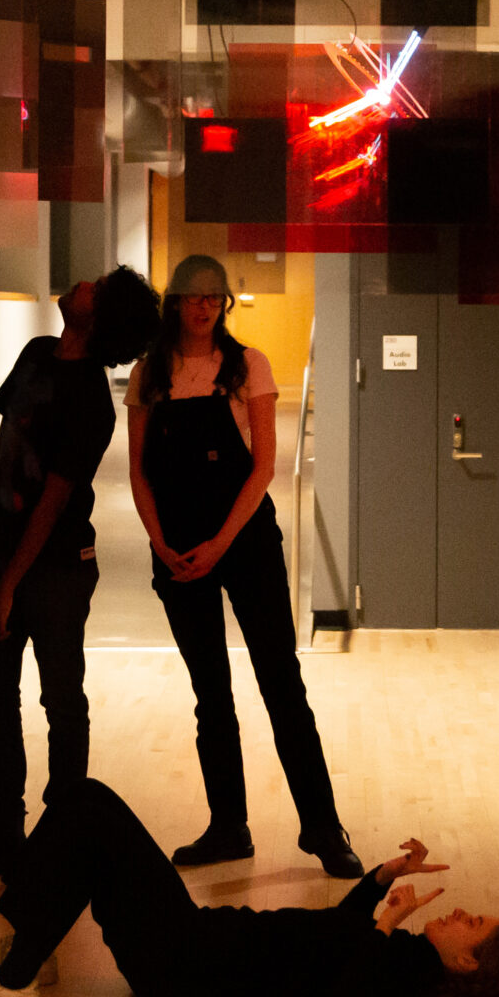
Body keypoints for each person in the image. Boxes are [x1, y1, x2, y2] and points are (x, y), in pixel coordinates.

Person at [0, 779, 499, 997]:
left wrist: (387, 922)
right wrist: (382, 879)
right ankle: (31, 951)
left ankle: (17, 983)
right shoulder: (405, 954)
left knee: (91, 821)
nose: (460, 914)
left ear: (468, 965)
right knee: (84, 795)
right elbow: (337, 934)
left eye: (472, 926)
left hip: (183, 964)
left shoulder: (411, 976)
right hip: (193, 940)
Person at [126, 255, 361, 877]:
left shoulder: (246, 364)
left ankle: (323, 828)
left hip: (245, 541)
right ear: (173, 302)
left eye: (214, 299)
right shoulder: (149, 373)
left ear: (224, 305)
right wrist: (160, 543)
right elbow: (139, 472)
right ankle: (228, 826)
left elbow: (262, 468)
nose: (203, 309)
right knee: (212, 694)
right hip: (178, 550)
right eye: (191, 298)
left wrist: (220, 544)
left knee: (282, 684)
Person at [0, 267, 164, 881]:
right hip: (2, 554)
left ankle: (62, 841)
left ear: (100, 314)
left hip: (56, 570)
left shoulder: (91, 397)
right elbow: (3, 443)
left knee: (61, 700)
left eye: (94, 285)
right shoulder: (36, 354)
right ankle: (5, 834)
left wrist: (8, 587)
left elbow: (55, 498)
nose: (80, 282)